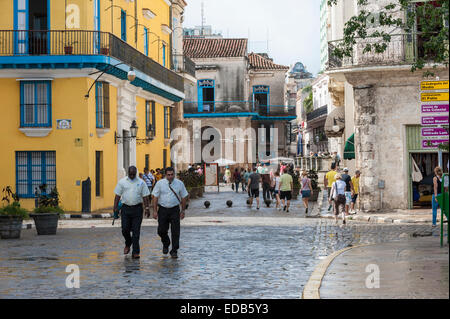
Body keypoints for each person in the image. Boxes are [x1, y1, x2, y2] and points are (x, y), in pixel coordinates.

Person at [113, 166, 151, 259]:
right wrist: (115, 208)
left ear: (136, 173)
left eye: (134, 174)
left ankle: (136, 252)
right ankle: (128, 242)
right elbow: (117, 195)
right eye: (130, 174)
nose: (132, 175)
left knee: (136, 231)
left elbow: (145, 196)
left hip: (137, 209)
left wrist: (147, 208)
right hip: (125, 209)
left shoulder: (141, 183)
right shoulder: (122, 182)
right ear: (128, 173)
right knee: (125, 229)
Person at [151, 167, 189, 258]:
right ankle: (166, 242)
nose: (170, 176)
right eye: (168, 175)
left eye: (172, 174)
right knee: (161, 230)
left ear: (174, 174)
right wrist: (155, 211)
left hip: (174, 210)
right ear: (165, 175)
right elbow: (155, 197)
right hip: (163, 209)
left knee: (175, 231)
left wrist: (183, 210)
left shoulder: (179, 183)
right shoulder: (160, 183)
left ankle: (174, 250)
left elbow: (184, 197)